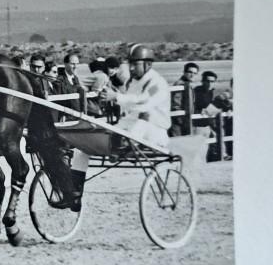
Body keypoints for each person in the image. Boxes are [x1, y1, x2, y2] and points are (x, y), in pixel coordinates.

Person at [50, 44, 171, 210]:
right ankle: (74, 195)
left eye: (135, 64)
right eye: (130, 64)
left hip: (155, 132)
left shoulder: (157, 83)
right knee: (81, 149)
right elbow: (129, 109)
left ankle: (118, 143)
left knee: (140, 123)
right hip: (131, 129)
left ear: (147, 64)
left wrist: (117, 97)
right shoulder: (133, 81)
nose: (131, 68)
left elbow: (144, 103)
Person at [169, 62, 200, 136]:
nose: (192, 75)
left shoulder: (188, 84)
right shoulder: (180, 84)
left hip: (185, 120)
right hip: (179, 122)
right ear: (184, 72)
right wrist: (182, 121)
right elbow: (176, 104)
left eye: (195, 73)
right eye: (190, 72)